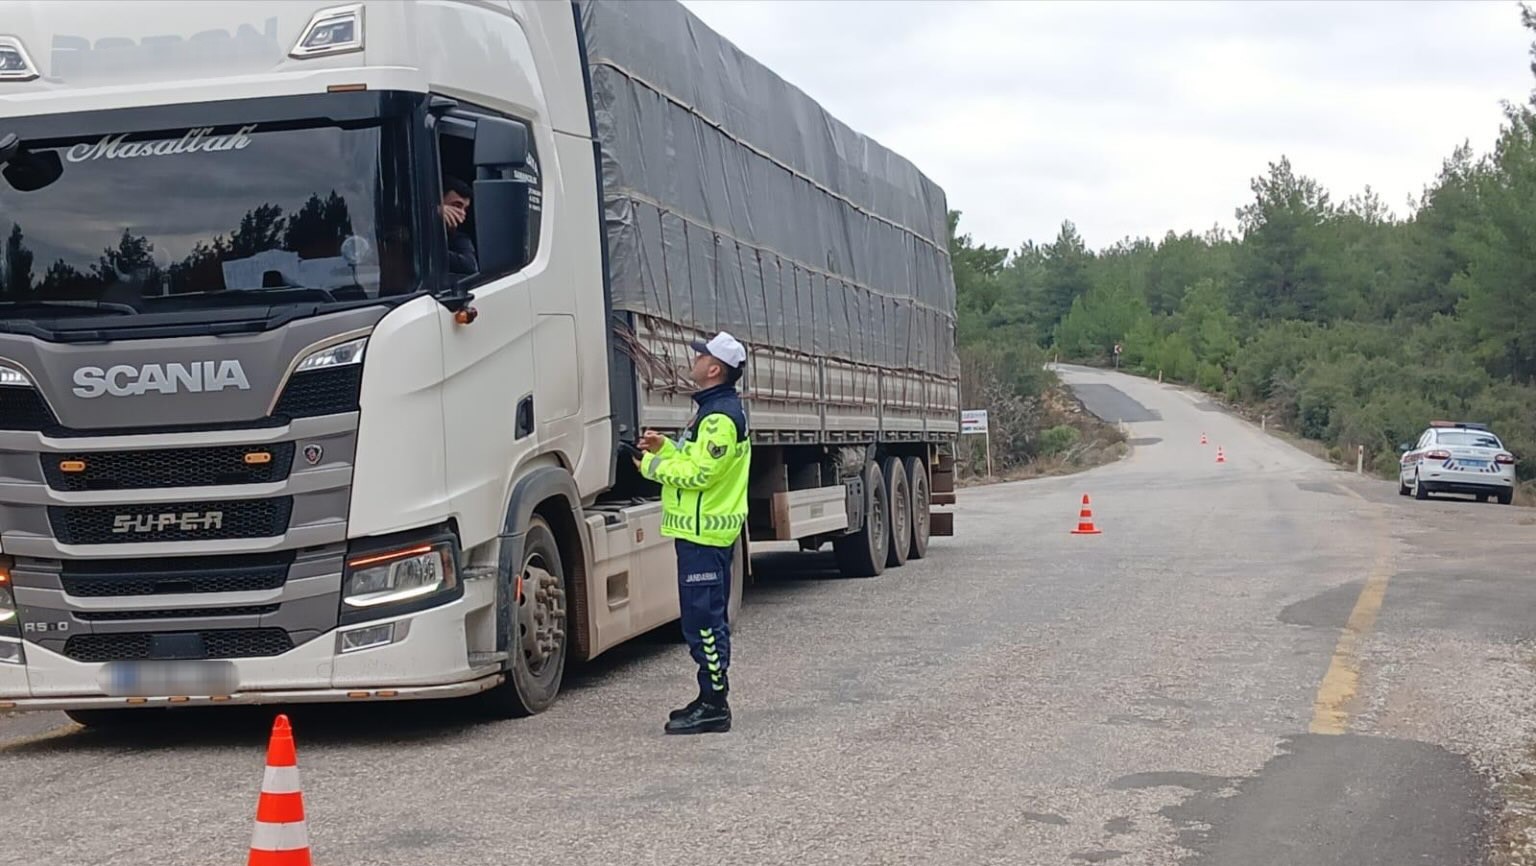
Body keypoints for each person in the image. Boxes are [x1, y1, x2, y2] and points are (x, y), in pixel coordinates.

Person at [636, 331, 752, 735]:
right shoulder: (710, 411)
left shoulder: (719, 418)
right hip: (698, 534)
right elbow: (691, 458)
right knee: (701, 620)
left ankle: (716, 706)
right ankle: (708, 697)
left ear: (714, 369)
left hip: (706, 536)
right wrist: (664, 448)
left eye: (701, 355)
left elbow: (702, 473)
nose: (695, 359)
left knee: (704, 622)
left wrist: (650, 468)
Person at [441, 175, 478, 275]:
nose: (462, 214)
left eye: (465, 209)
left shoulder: (458, 238)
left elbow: (469, 265)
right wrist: (433, 213)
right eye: (456, 206)